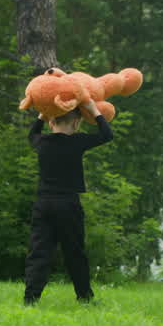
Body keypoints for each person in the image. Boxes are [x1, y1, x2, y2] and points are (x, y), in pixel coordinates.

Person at [24, 99, 113, 306]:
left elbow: (31, 134)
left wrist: (42, 113)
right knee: (75, 252)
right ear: (76, 123)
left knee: (39, 252)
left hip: (43, 204)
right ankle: (84, 297)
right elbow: (107, 135)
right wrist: (93, 110)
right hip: (68, 204)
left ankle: (31, 299)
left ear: (50, 123)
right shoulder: (78, 141)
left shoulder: (41, 142)